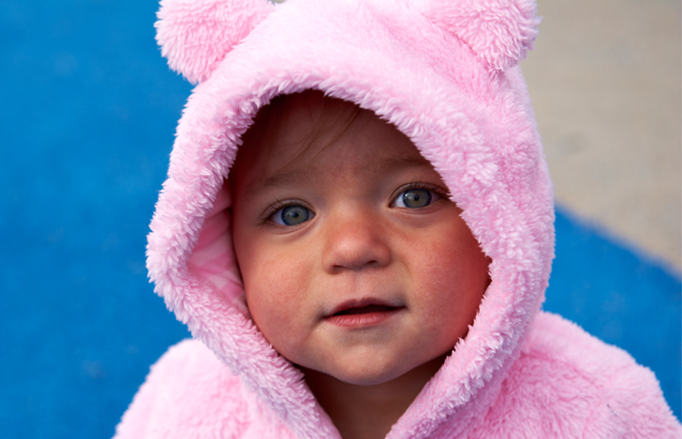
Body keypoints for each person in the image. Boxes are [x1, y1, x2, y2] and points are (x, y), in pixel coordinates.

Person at [114, 0, 682, 437]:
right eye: (292, 213)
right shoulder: (182, 410)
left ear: (497, 219)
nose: (354, 247)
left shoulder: (596, 412)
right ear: (224, 246)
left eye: (413, 198)